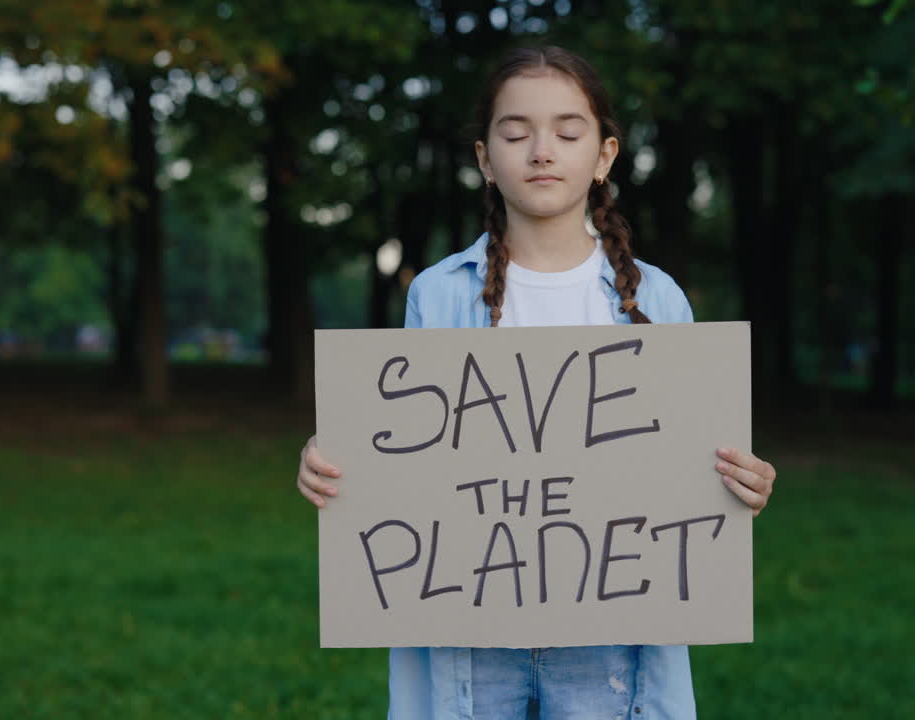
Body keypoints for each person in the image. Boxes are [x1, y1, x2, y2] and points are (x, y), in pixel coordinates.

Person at [297, 45, 777, 720]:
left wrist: (738, 489)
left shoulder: (659, 300)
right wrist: (336, 465)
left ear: (604, 155)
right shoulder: (436, 297)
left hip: (613, 641)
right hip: (467, 638)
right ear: (486, 160)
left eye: (567, 132)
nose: (541, 151)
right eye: (517, 134)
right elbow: (403, 449)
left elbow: (693, 474)